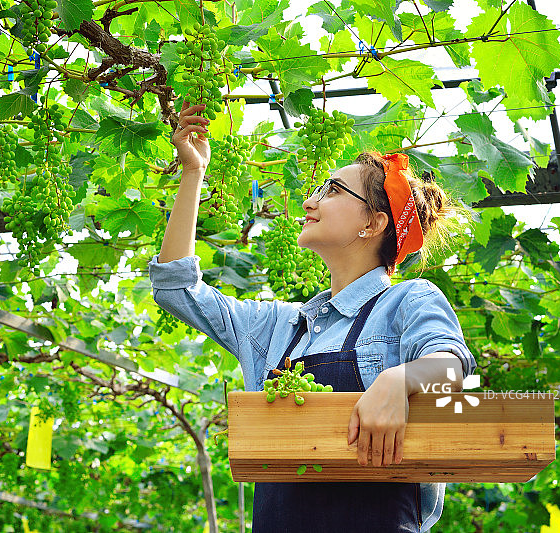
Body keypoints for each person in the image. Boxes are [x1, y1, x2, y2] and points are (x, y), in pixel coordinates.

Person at [148, 101, 477, 532]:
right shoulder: (278, 326)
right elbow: (177, 289)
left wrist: (399, 380)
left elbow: (451, 368)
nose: (310, 200)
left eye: (333, 191)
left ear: (374, 223)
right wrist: (193, 174)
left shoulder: (408, 301)